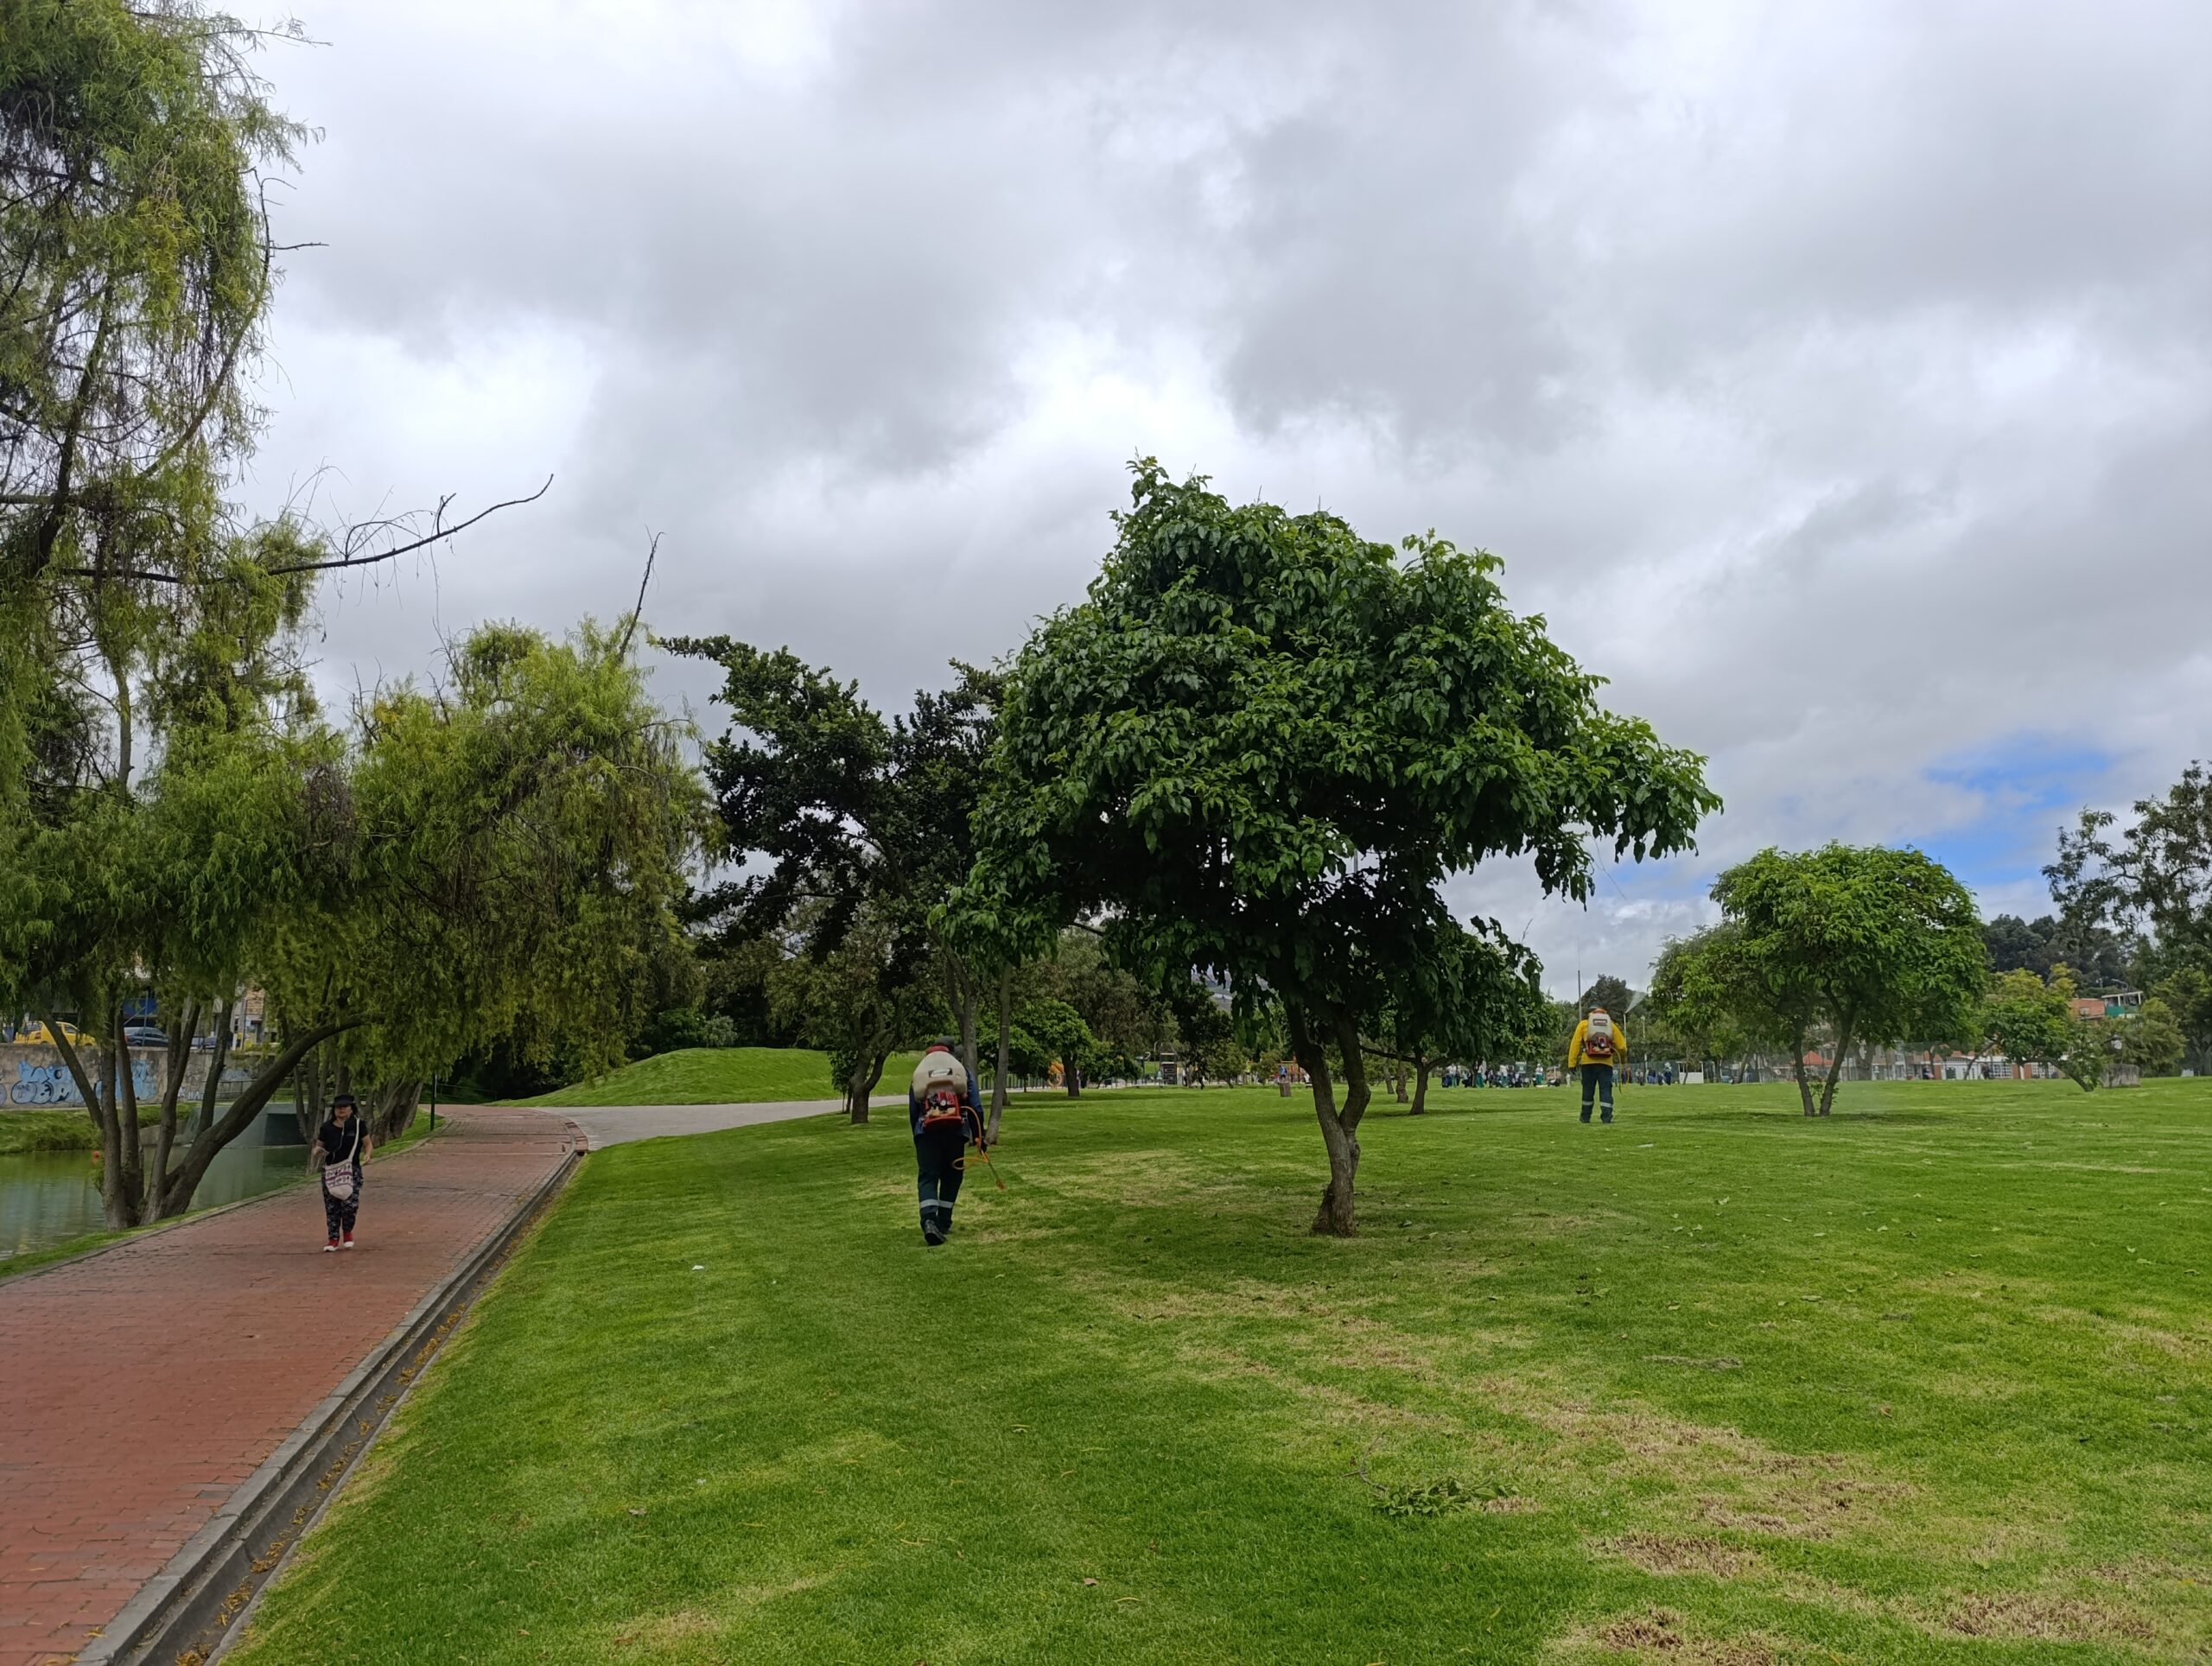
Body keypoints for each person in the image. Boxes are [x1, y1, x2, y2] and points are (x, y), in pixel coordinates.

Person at [909, 1039, 982, 1247]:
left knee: (928, 1177)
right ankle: (943, 1220)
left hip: (926, 1133)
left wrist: (918, 1135)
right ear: (952, 1053)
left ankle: (929, 1220)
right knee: (952, 1175)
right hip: (955, 1132)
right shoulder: (962, 1072)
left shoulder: (920, 1073)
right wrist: (979, 1137)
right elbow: (975, 1107)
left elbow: (913, 1111)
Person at [311, 1093, 372, 1250]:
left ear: (351, 1109)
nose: (341, 1110)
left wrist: (368, 1154)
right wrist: (318, 1151)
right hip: (331, 1171)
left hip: (352, 1169)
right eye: (338, 1107)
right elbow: (319, 1146)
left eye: (345, 1107)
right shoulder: (327, 1127)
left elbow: (368, 1144)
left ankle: (348, 1231)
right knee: (332, 1206)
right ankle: (333, 1239)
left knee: (350, 1204)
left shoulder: (358, 1125)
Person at [1566, 1006, 1626, 1124]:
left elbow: (1575, 1044)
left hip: (1588, 1063)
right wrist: (1622, 1054)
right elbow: (1622, 1046)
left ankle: (1585, 1117)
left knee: (1588, 1090)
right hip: (1606, 1063)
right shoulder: (1611, 1025)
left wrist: (1572, 1063)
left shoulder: (1584, 1024)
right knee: (1606, 1090)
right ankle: (1607, 1117)